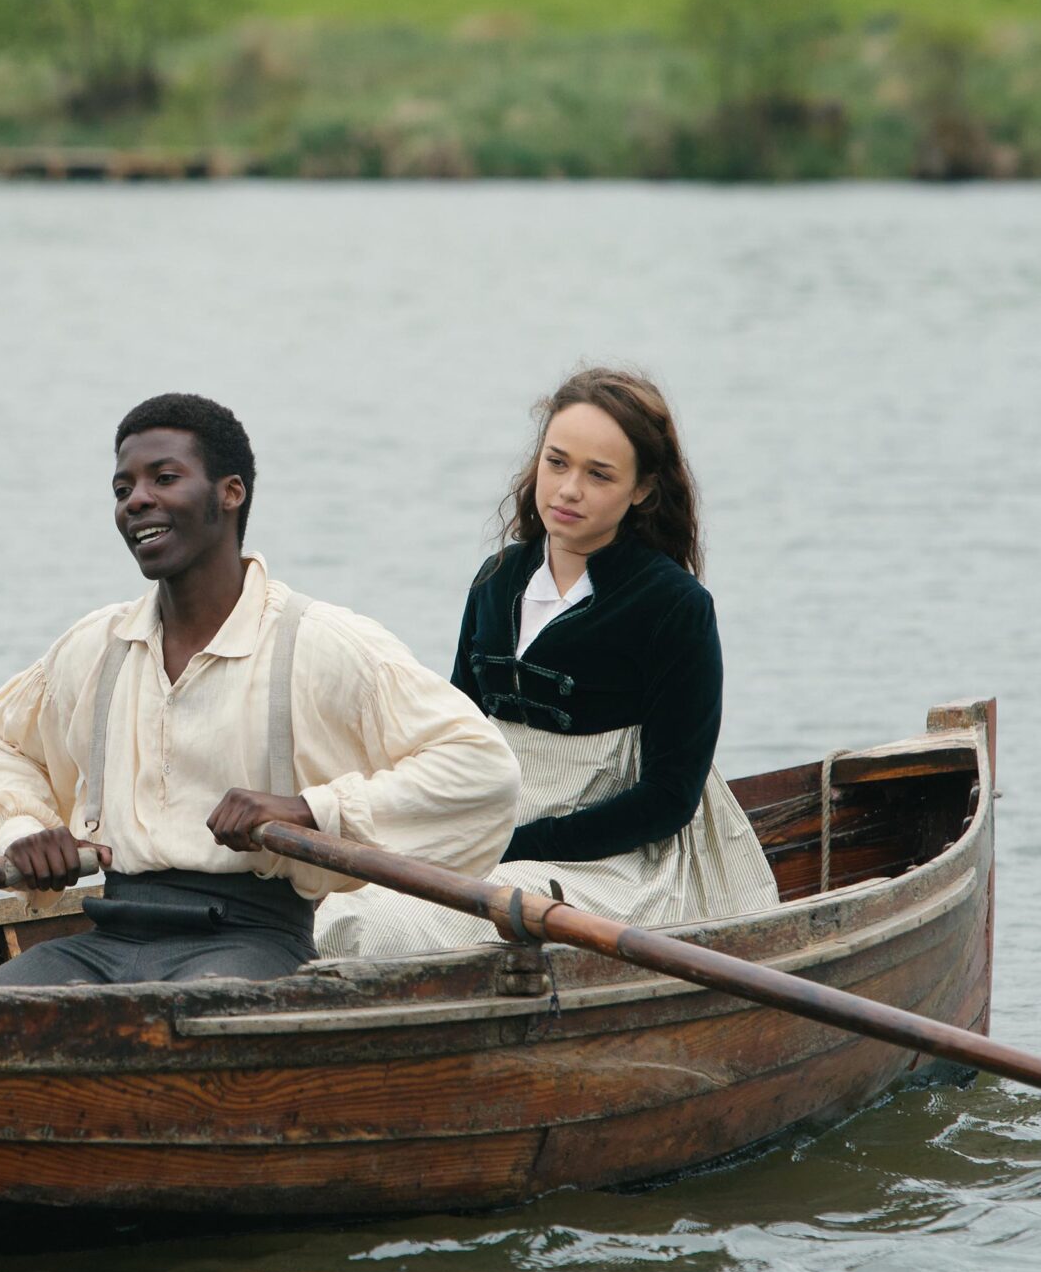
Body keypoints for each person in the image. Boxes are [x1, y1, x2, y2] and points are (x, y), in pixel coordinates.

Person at [0, 393, 521, 985]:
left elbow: (480, 768)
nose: (137, 500)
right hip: (103, 938)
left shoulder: (319, 643)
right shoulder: (96, 646)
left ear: (231, 492)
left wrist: (310, 810)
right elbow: (2, 744)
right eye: (123, 489)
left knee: (175, 1025)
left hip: (250, 941)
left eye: (164, 478)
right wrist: (24, 831)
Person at [317, 367, 778, 958]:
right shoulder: (497, 580)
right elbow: (452, 736)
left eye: (599, 474)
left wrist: (512, 847)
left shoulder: (674, 607)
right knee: (328, 898)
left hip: (611, 864)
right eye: (557, 463)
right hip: (480, 831)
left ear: (642, 490)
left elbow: (667, 799)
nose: (567, 489)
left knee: (388, 926)